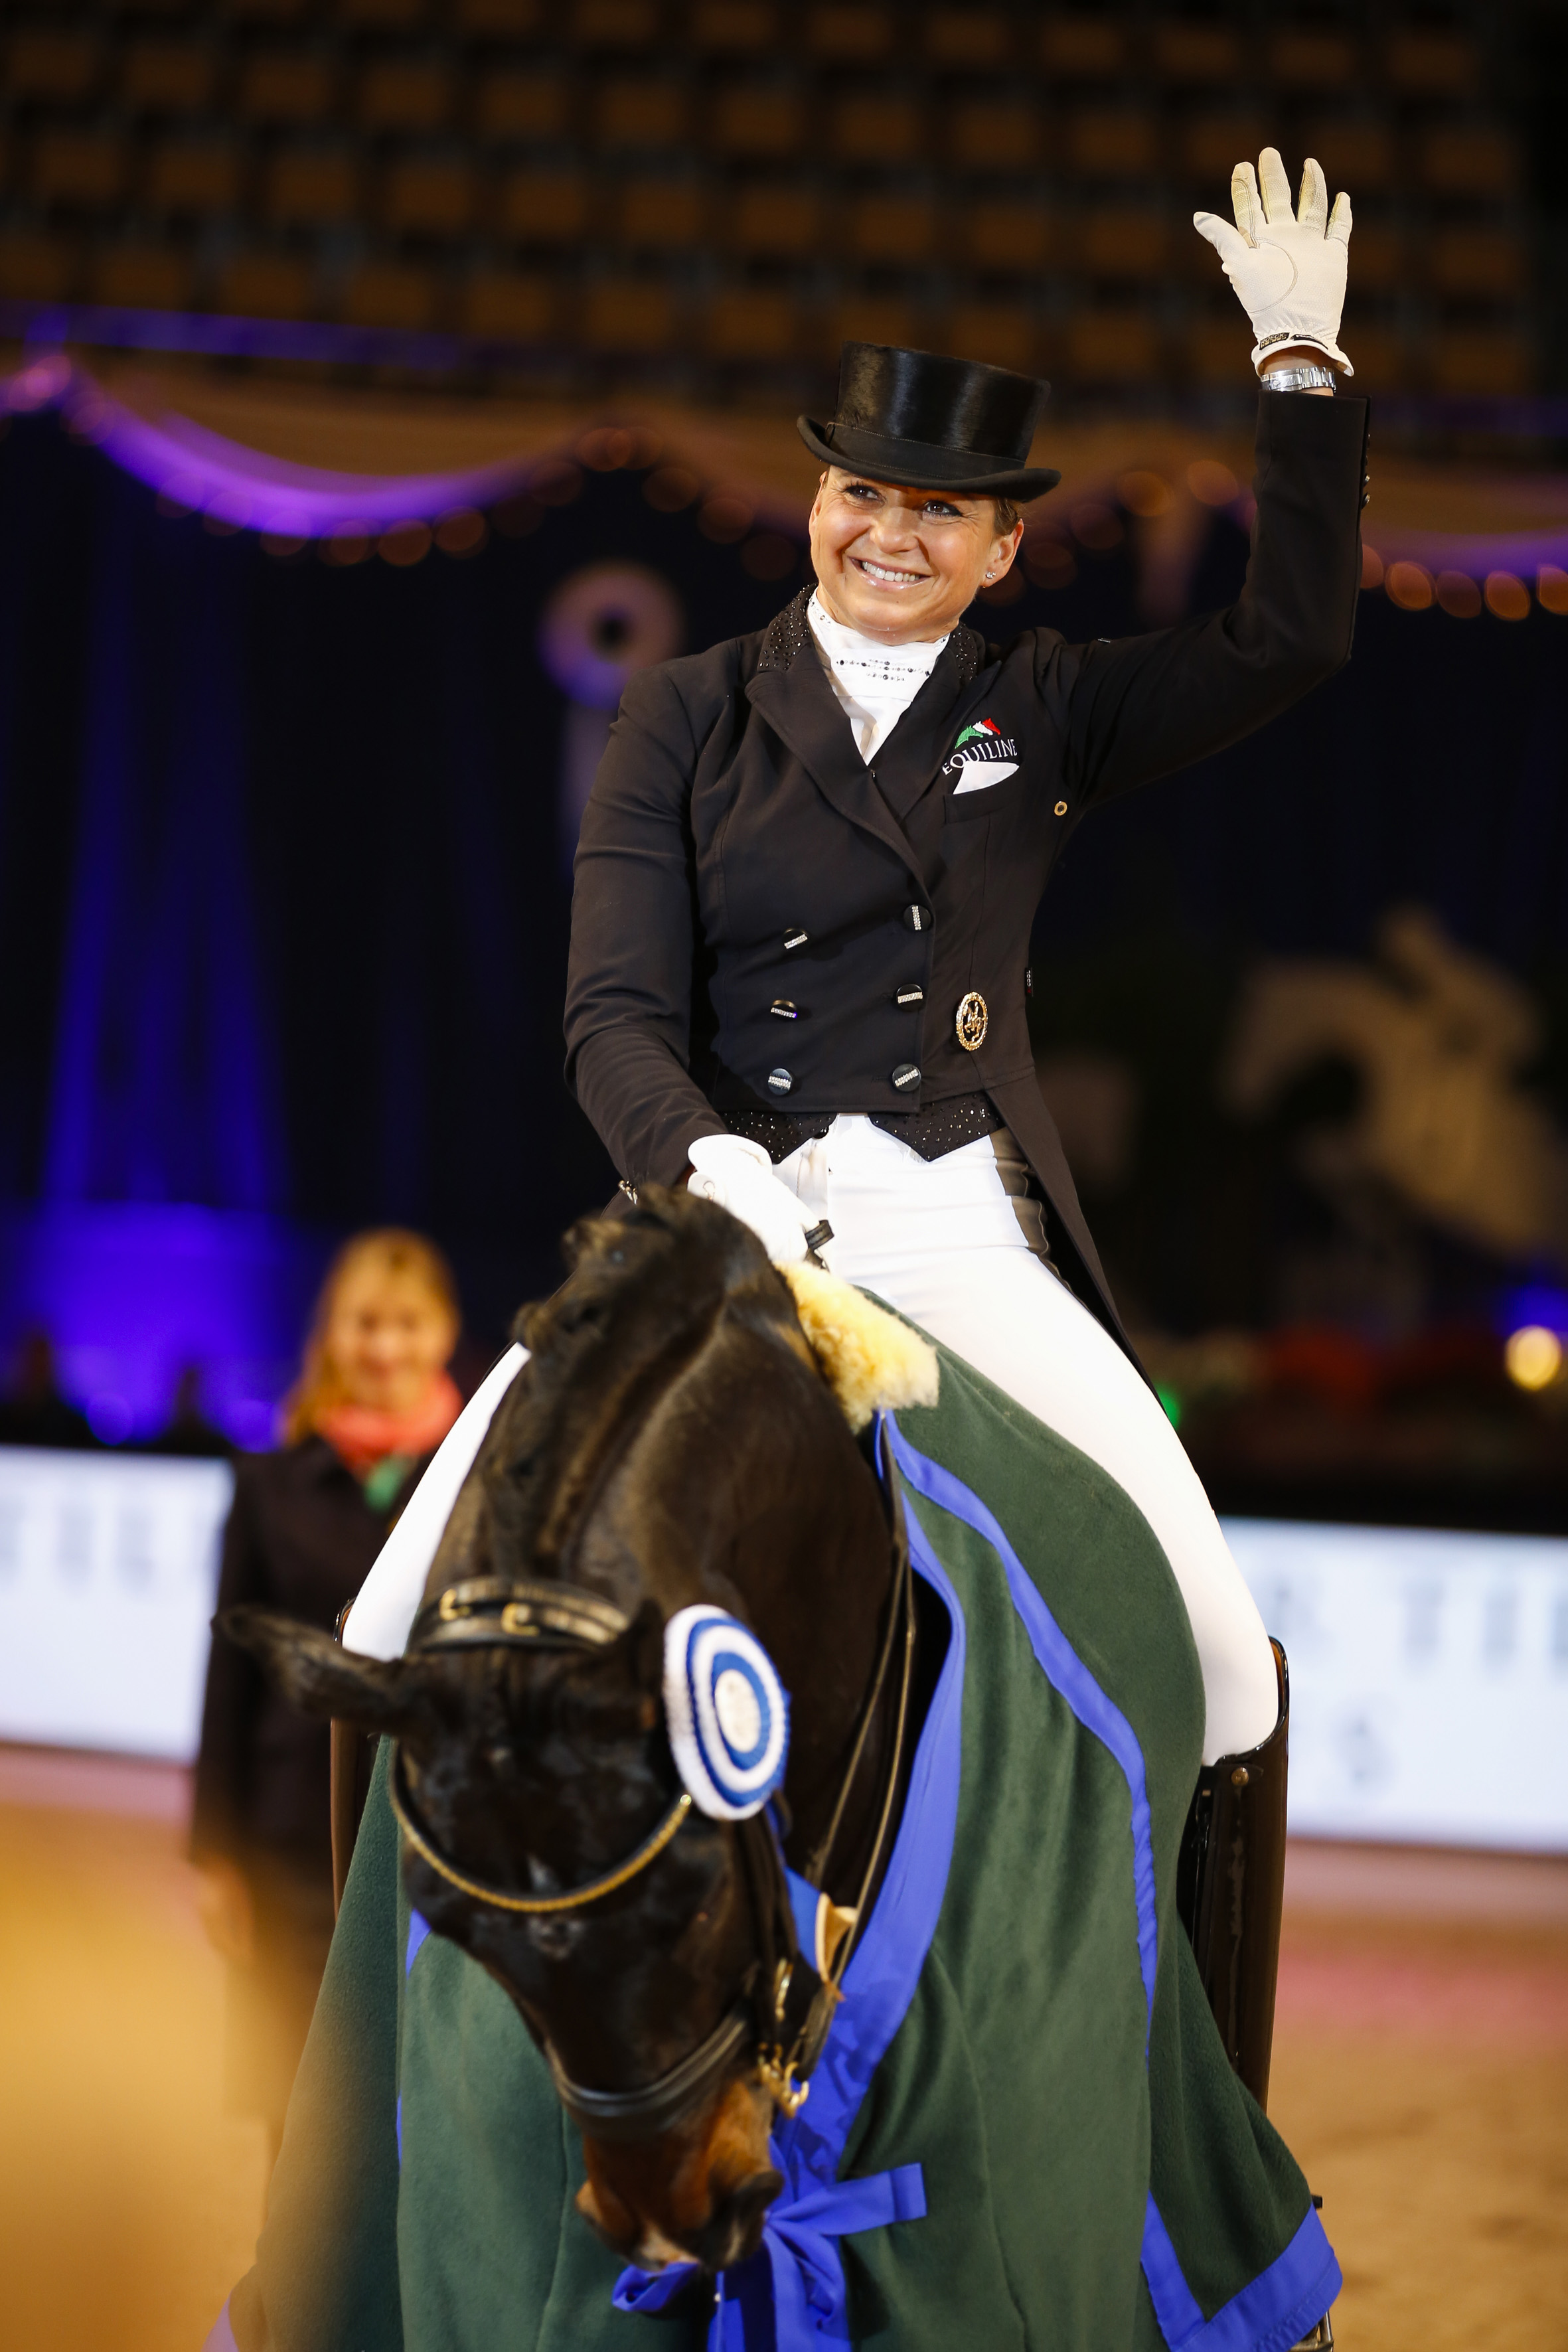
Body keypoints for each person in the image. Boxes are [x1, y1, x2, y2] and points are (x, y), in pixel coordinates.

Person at [564, 151, 1368, 1775]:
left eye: (939, 509)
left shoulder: (1044, 703)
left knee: (1220, 1665)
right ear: (814, 505)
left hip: (949, 1211)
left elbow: (1291, 639)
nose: (890, 531)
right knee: (406, 1610)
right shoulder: (687, 709)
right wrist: (709, 1163)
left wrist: (1299, 377)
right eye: (863, 492)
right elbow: (611, 1017)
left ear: (1001, 549)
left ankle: (1181, 2036)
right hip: (731, 1203)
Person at [190, 1228, 463, 2158]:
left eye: (406, 1324)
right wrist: (214, 1851)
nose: (384, 1347)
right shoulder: (270, 1484)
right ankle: (297, 2294)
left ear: (444, 1332)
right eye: (365, 1323)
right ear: (332, 1335)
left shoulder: (478, 1484)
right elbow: (229, 1668)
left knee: (421, 2094)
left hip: (438, 1830)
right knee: (294, 2098)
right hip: (288, 1832)